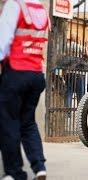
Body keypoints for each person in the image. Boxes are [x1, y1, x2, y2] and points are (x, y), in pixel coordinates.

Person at [0, 0, 48, 179]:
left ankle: (14, 172)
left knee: (9, 122)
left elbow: (3, 43)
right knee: (27, 122)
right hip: (36, 74)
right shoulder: (40, 9)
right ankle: (39, 166)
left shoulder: (15, 6)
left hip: (16, 73)